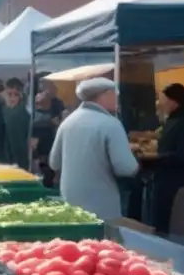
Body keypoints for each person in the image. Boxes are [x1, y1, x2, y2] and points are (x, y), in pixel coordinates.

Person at [49, 78, 139, 222]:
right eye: (115, 94)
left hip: (70, 202)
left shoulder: (68, 122)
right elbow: (126, 168)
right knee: (102, 242)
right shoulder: (111, 124)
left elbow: (54, 163)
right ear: (105, 94)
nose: (117, 98)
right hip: (102, 206)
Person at [151, 83, 184, 233]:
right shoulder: (174, 120)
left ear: (174, 101)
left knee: (169, 223)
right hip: (166, 179)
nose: (159, 103)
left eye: (162, 99)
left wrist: (155, 157)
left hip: (177, 183)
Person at [32, 78, 65, 187]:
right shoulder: (35, 107)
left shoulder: (58, 103)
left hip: (52, 139)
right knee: (43, 166)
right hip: (41, 142)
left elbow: (62, 119)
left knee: (50, 165)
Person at [2, 78, 31, 169]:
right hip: (6, 157)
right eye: (10, 94)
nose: (12, 97)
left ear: (21, 96)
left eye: (16, 95)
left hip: (20, 158)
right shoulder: (3, 111)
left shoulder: (24, 113)